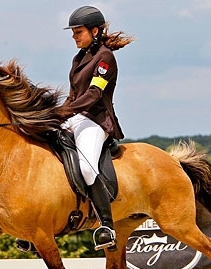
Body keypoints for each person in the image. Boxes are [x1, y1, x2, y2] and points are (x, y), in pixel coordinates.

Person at [61, 5, 133, 251]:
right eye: (73, 32)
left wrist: (67, 112)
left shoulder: (105, 58)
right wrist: (52, 115)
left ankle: (106, 226)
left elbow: (93, 94)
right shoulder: (78, 58)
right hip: (75, 116)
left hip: (96, 120)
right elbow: (73, 95)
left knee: (88, 168)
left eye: (78, 32)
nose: (74, 36)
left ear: (95, 30)